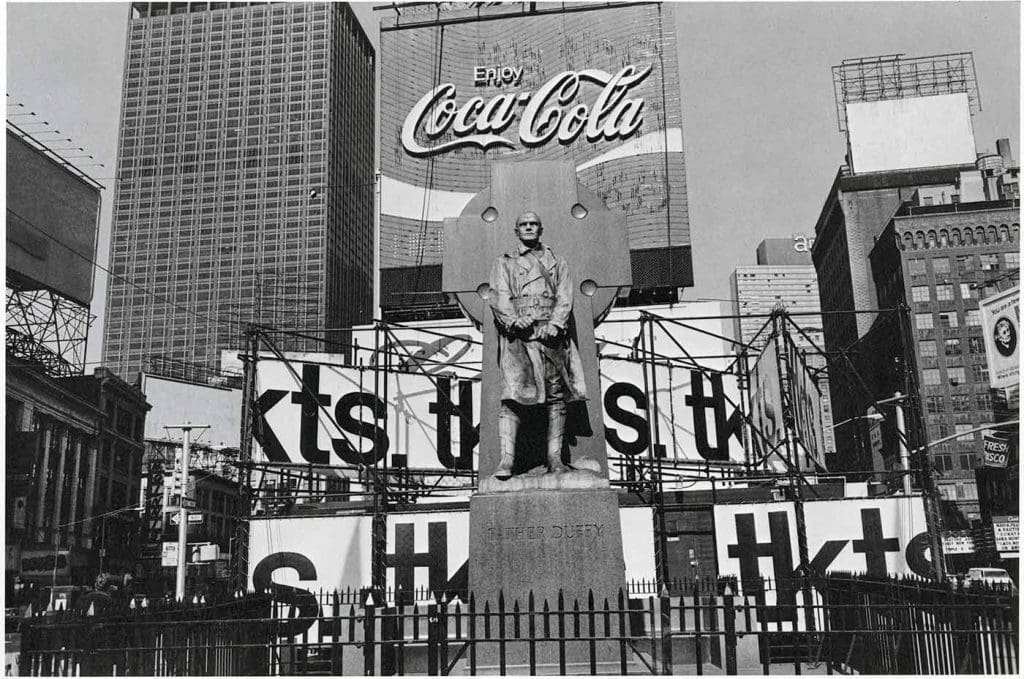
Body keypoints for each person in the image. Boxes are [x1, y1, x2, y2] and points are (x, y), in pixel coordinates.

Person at [488, 211, 587, 480]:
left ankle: (555, 458)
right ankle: (507, 460)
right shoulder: (504, 262)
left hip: (549, 337)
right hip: (518, 338)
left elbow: (565, 297)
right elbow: (498, 295)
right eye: (524, 224)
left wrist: (555, 324)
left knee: (555, 397)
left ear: (541, 229)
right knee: (513, 397)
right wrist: (513, 320)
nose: (529, 228)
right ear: (516, 230)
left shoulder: (557, 261)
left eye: (533, 224)